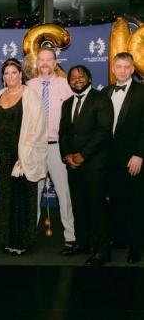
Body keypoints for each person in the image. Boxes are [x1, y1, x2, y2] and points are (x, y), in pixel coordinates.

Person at [59, 65, 113, 266]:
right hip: (73, 165)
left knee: (97, 208)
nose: (77, 79)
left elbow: (103, 131)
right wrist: (66, 156)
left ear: (89, 79)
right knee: (79, 206)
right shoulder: (66, 104)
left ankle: (102, 251)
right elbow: (63, 133)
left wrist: (82, 155)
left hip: (95, 165)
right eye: (73, 77)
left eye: (81, 76)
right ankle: (82, 244)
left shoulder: (101, 99)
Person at [0, 58, 47, 256]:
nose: (10, 77)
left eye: (14, 73)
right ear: (2, 77)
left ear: (20, 74)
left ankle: (23, 241)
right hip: (4, 154)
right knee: (7, 199)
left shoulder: (30, 95)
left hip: (23, 156)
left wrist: (25, 155)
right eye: (6, 73)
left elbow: (37, 127)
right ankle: (7, 239)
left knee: (23, 199)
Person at [27, 47, 75, 249]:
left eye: (49, 60)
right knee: (33, 194)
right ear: (37, 63)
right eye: (42, 60)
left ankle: (71, 235)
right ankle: (29, 234)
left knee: (64, 193)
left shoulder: (66, 85)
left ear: (55, 63)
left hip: (58, 148)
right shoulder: (29, 86)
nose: (45, 63)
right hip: (36, 148)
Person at [102, 52, 144, 263]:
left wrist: (139, 154)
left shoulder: (141, 92)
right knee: (115, 201)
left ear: (133, 69)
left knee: (136, 203)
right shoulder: (106, 92)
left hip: (133, 158)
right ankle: (118, 239)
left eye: (126, 67)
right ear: (113, 68)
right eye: (118, 66)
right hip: (110, 158)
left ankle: (136, 247)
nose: (122, 70)